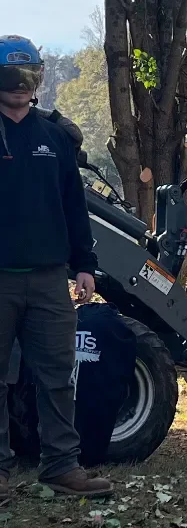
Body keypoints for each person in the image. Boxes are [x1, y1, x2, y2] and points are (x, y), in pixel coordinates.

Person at [0, 35, 113, 498]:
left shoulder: (55, 137)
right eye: (13, 77)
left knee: (58, 374)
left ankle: (61, 466)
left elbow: (73, 207)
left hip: (49, 279)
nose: (23, 87)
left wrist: (84, 265)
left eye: (32, 77)